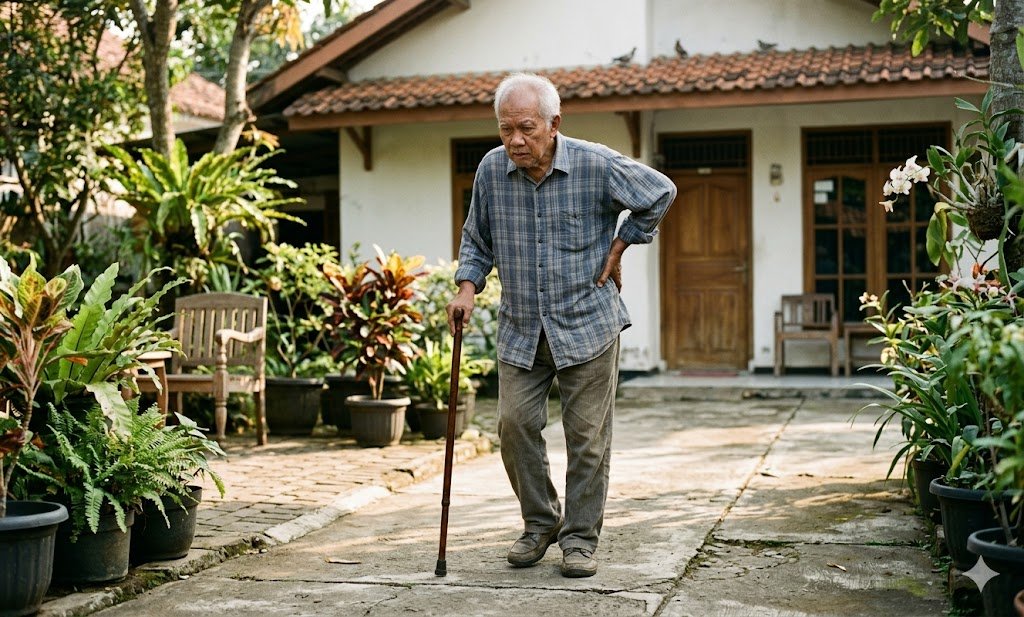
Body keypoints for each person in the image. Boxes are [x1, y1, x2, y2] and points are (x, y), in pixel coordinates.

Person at [446, 72, 676, 578]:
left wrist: (621, 243)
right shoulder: (491, 170)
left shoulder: (594, 164)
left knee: (587, 439)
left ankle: (579, 540)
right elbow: (476, 237)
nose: (515, 141)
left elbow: (659, 191)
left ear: (554, 124)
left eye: (526, 129)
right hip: (522, 327)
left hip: (588, 325)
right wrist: (467, 286)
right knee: (514, 426)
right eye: (506, 130)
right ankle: (540, 522)